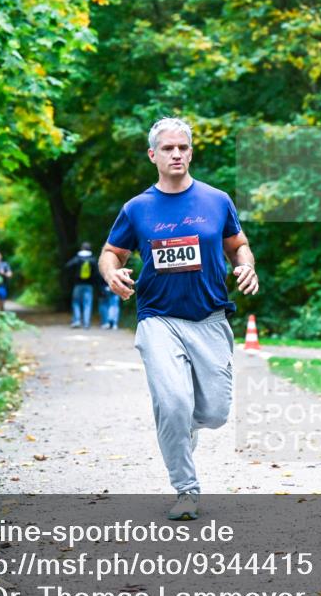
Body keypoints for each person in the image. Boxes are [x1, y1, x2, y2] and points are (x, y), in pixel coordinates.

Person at [99, 117, 259, 521]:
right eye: (168, 148)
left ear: (191, 152)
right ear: (153, 155)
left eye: (183, 148)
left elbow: (238, 244)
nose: (176, 154)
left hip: (209, 318)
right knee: (172, 404)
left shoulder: (217, 200)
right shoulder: (137, 208)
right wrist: (111, 273)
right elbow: (110, 253)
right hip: (158, 318)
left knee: (215, 413)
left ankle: (183, 428)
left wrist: (247, 265)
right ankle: (186, 489)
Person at [64, 242, 99, 329]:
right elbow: (97, 273)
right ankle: (86, 323)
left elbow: (67, 266)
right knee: (87, 304)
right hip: (89, 285)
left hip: (78, 284)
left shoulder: (77, 258)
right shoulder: (93, 259)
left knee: (76, 303)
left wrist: (73, 275)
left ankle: (77, 321)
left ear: (81, 248)